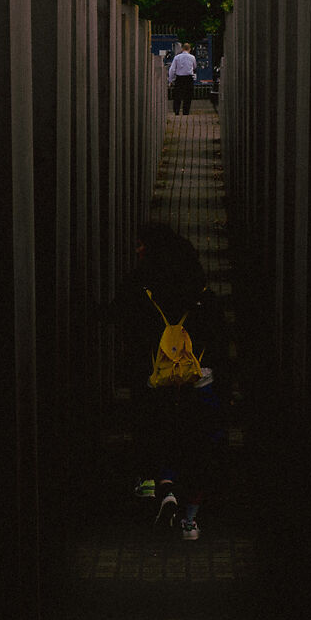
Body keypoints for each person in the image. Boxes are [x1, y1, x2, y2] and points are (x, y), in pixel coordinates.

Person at [110, 220, 223, 540]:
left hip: (157, 376)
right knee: (199, 441)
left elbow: (125, 318)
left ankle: (164, 489)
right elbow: (215, 331)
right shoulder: (197, 285)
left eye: (141, 243)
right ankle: (190, 519)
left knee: (162, 432)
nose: (137, 249)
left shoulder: (143, 285)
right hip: (198, 377)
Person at [167, 41, 197, 116]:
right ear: (189, 49)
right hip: (188, 78)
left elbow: (172, 69)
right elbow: (194, 66)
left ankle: (176, 111)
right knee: (188, 96)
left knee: (177, 95)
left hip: (179, 78)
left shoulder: (177, 57)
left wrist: (170, 80)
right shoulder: (192, 57)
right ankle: (186, 112)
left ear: (182, 49)